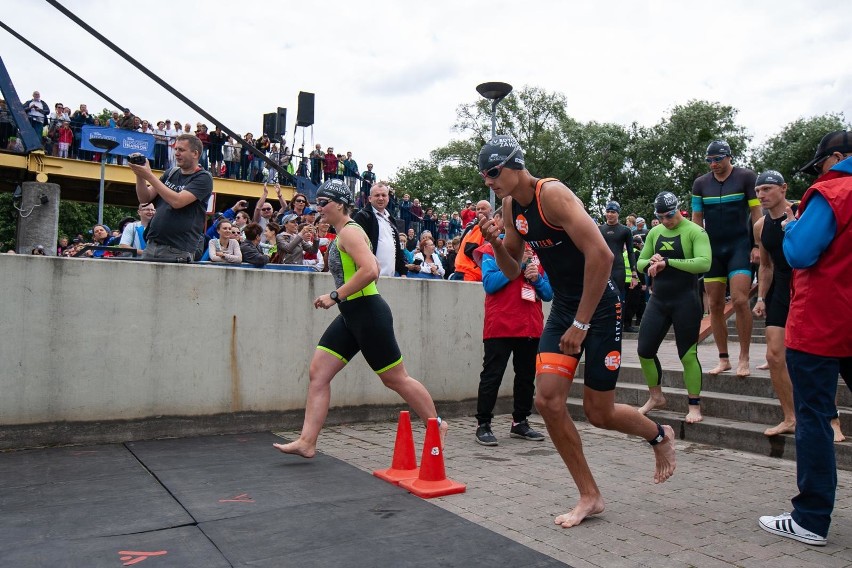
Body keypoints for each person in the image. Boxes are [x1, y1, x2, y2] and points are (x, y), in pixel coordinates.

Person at [478, 135, 676, 529]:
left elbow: (601, 255)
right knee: (548, 401)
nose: (489, 181)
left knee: (598, 413)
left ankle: (658, 435)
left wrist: (581, 324)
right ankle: (590, 495)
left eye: (494, 172)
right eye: (484, 175)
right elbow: (514, 270)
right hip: (566, 305)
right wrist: (495, 242)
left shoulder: (551, 194)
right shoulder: (509, 204)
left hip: (599, 306)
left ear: (515, 164)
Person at [273, 178, 446, 458]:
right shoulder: (342, 233)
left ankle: (437, 425)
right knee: (319, 373)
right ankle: (307, 442)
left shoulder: (350, 233)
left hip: (367, 312)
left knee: (395, 379)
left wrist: (335, 295)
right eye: (317, 202)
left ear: (340, 205)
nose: (319, 208)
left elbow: (371, 270)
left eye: (323, 202)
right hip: (351, 315)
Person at [759, 130, 852, 547]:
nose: (819, 173)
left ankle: (811, 519)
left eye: (820, 165)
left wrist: (794, 225)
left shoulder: (832, 191)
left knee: (813, 416)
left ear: (836, 158)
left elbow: (799, 254)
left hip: (822, 321)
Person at [473, 208, 551, 445]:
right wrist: (515, 267)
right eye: (510, 220)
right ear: (500, 221)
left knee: (526, 376)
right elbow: (489, 284)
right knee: (492, 375)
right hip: (500, 325)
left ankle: (520, 422)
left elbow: (548, 294)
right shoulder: (490, 250)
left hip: (529, 325)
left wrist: (536, 278)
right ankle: (483, 424)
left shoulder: (536, 254)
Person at [635, 192, 711, 424]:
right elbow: (639, 263)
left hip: (685, 300)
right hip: (659, 300)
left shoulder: (695, 231)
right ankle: (656, 397)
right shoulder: (655, 233)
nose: (666, 221)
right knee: (644, 350)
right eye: (661, 217)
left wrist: (668, 262)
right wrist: (651, 262)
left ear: (678, 209)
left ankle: (694, 405)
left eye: (669, 215)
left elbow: (704, 262)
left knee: (687, 355)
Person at [691, 140, 760, 377]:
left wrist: (758, 244)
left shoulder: (746, 177)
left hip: (739, 246)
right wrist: (696, 250)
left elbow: (756, 213)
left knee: (740, 300)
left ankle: (744, 357)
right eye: (709, 160)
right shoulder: (700, 184)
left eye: (717, 159)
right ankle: (724, 358)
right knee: (715, 305)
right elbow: (696, 218)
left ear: (729, 157)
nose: (713, 164)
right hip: (713, 249)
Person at [750, 170, 797, 437]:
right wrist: (761, 298)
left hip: (806, 285)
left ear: (783, 188)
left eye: (767, 189)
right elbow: (765, 265)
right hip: (780, 287)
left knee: (813, 357)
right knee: (774, 354)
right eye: (758, 191)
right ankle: (790, 417)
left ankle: (831, 418)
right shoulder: (760, 225)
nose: (761, 195)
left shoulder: (802, 213)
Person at [130, 134, 213, 262]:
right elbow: (144, 198)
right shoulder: (171, 172)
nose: (176, 153)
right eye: (175, 149)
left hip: (178, 249)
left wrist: (149, 175)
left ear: (195, 154)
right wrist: (139, 174)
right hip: (152, 245)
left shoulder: (203, 178)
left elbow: (177, 201)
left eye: (181, 150)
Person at [352, 182, 408, 277]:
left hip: (390, 278)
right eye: (377, 195)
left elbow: (397, 248)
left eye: (384, 195)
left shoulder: (391, 219)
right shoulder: (362, 217)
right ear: (370, 198)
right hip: (368, 278)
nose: (381, 198)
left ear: (388, 198)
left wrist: (403, 272)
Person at [598, 200, 638, 304]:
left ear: (618, 213)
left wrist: (634, 274)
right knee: (602, 300)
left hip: (618, 270)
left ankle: (619, 320)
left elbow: (630, 252)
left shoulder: (625, 230)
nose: (609, 214)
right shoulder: (599, 229)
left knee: (618, 300)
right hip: (602, 269)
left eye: (613, 212)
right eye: (608, 211)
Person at [454, 200, 492, 282]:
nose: (480, 211)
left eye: (483, 208)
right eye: (478, 209)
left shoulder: (474, 227)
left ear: (490, 210)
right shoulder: (475, 227)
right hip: (469, 273)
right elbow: (470, 249)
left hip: (465, 271)